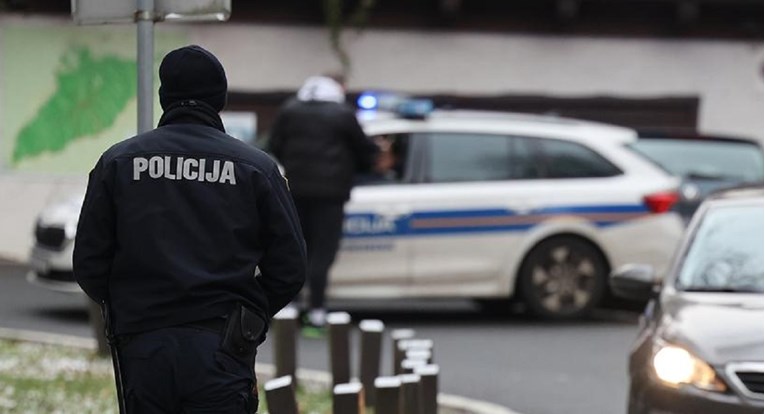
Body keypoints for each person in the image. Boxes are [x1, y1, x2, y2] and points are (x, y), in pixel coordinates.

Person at [73, 45, 306, 413]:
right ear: (221, 98)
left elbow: (89, 261)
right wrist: (247, 316)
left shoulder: (119, 162)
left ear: (165, 97)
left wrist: (130, 309)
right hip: (224, 347)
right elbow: (290, 266)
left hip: (143, 345)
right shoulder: (255, 168)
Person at [268, 74, 378, 336]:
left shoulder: (289, 110)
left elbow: (274, 145)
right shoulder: (342, 114)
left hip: (295, 191)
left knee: (296, 249)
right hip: (331, 195)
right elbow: (365, 152)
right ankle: (317, 313)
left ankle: (289, 308)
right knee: (322, 253)